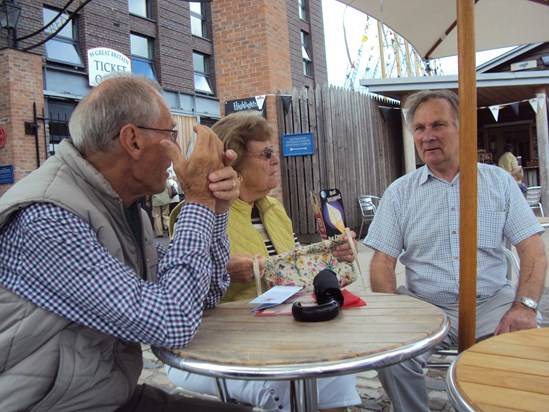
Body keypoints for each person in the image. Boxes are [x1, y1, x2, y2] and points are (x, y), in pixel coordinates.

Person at [0, 74, 250, 412]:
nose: (177, 151)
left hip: (105, 397)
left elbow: (205, 295)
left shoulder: (126, 210)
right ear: (132, 140)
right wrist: (197, 201)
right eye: (171, 135)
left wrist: (216, 209)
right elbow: (172, 322)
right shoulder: (46, 218)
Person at [364, 89, 547, 412]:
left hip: (492, 302)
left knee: (527, 352)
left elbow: (532, 247)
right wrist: (391, 314)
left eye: (438, 125)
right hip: (425, 306)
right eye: (419, 128)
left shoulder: (498, 184)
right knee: (390, 353)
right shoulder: (399, 193)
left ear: (462, 128)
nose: (428, 136)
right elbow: (382, 262)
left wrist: (525, 306)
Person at [166, 110, 361, 412]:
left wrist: (332, 258)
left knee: (335, 368)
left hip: (282, 333)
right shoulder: (198, 214)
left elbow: (298, 273)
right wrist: (222, 270)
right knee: (292, 383)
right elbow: (180, 294)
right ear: (235, 164)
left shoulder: (274, 210)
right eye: (267, 153)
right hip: (223, 345)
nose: (276, 160)